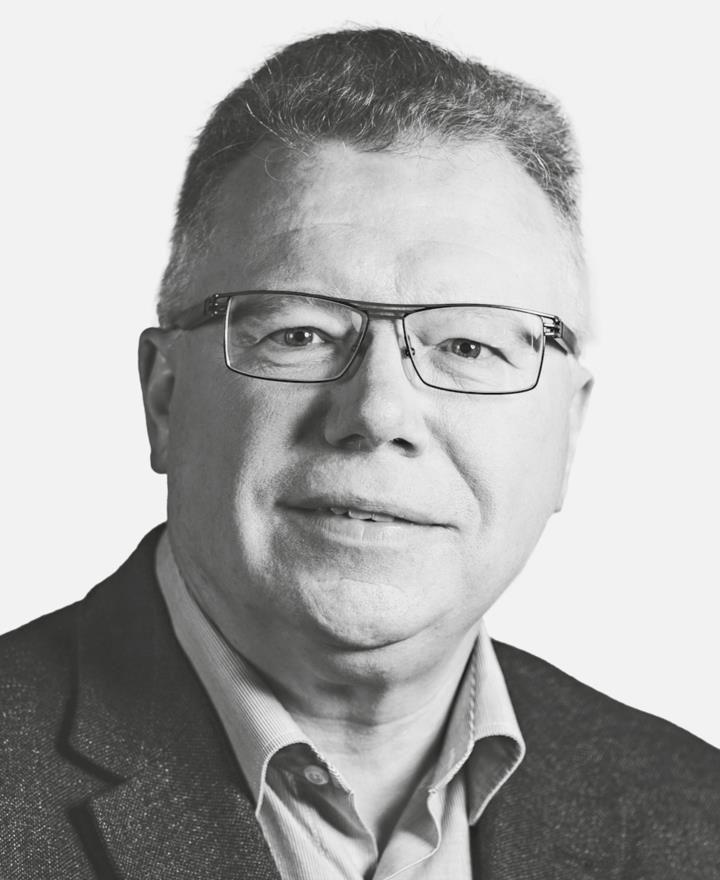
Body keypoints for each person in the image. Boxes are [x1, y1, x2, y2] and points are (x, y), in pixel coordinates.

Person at [1, 27, 718, 880]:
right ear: (165, 397)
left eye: (468, 346)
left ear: (568, 431)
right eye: (299, 333)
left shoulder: (696, 819)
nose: (378, 413)